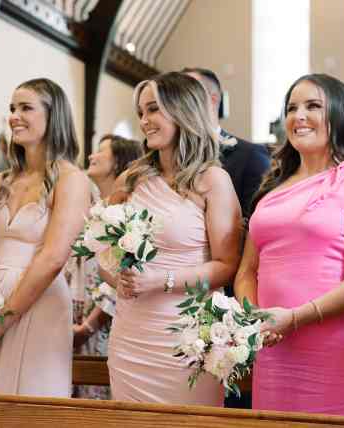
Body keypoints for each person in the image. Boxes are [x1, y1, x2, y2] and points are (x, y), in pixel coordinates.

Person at [235, 74, 344, 416]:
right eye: (292, 108)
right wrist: (254, 317)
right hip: (274, 349)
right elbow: (247, 269)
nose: (298, 116)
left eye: (313, 106)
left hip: (334, 349)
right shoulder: (271, 190)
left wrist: (294, 318)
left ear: (340, 114)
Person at [107, 72, 242, 405]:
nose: (144, 120)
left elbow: (227, 266)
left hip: (187, 336)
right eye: (141, 112)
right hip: (131, 334)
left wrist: (159, 280)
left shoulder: (213, 180)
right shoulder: (131, 179)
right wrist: (116, 276)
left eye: (153, 109)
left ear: (182, 111)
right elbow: (103, 247)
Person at [0, 78, 90, 397]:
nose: (14, 116)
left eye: (26, 108)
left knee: (31, 401)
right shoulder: (2, 180)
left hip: (39, 305)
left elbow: (53, 258)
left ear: (54, 116)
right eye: (12, 108)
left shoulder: (71, 180)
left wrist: (0, 322)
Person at [69, 134, 142, 399]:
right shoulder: (91, 207)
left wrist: (89, 325)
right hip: (75, 316)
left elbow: (125, 271)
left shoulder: (127, 210)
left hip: (105, 322)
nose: (91, 156)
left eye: (101, 151)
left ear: (119, 161)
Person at [182, 67, 270, 221]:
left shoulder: (251, 156)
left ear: (213, 100)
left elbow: (255, 224)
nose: (180, 103)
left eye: (188, 95)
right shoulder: (170, 155)